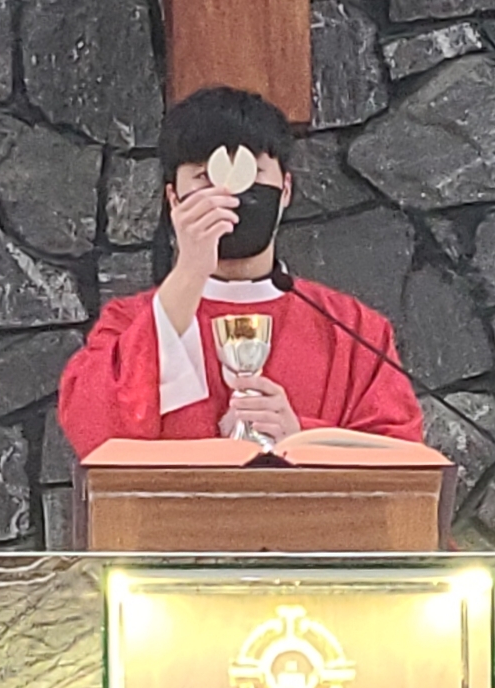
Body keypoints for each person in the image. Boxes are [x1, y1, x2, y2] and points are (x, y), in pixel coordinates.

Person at [58, 86, 422, 458]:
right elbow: (95, 434)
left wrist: (302, 438)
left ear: (284, 190)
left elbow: (402, 462)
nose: (229, 193)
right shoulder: (127, 324)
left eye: (252, 172)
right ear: (173, 200)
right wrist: (189, 271)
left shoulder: (354, 330)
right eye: (204, 176)